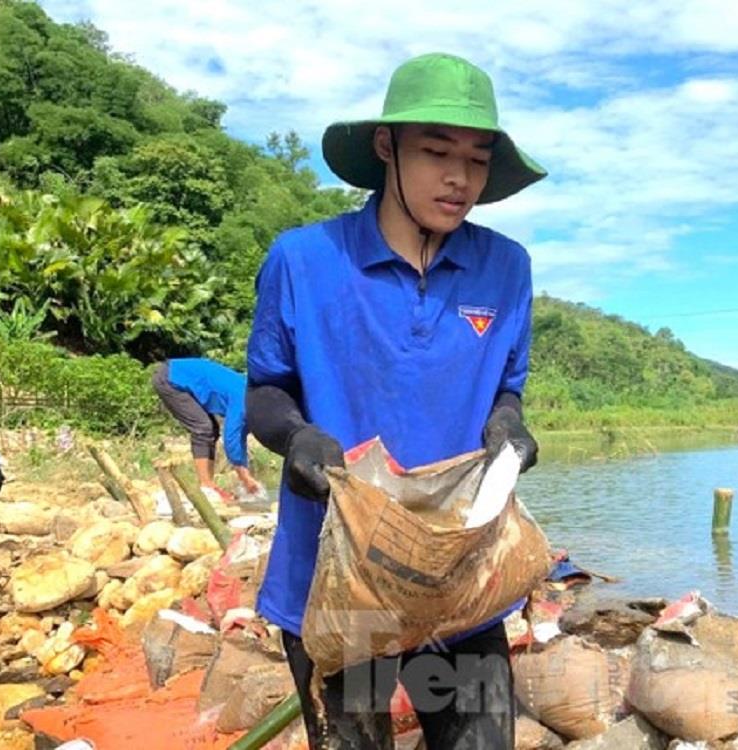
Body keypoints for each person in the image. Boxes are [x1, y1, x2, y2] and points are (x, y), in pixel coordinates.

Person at [246, 52, 544, 749]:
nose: (458, 177)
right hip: (341, 586)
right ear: (387, 148)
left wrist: (508, 423)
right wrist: (296, 439)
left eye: (475, 159)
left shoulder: (505, 268)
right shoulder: (304, 260)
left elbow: (507, 386)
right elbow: (265, 389)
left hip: (458, 581)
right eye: (435, 151)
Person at [152, 358, 261, 502]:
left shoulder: (252, 394)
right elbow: (231, 438)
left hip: (181, 374)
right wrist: (244, 476)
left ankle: (209, 485)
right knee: (203, 428)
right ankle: (206, 486)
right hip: (171, 379)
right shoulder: (242, 400)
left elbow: (240, 433)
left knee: (211, 429)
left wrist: (244, 473)